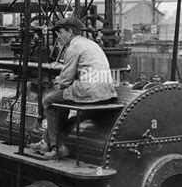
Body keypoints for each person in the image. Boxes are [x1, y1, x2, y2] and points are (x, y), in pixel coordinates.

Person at [30, 17, 117, 159]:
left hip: (88, 91)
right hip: (105, 90)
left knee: (49, 100)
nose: (58, 37)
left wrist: (59, 80)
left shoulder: (74, 47)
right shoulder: (90, 43)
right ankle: (45, 142)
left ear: (70, 31)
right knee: (61, 100)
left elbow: (65, 80)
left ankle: (58, 147)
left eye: (60, 33)